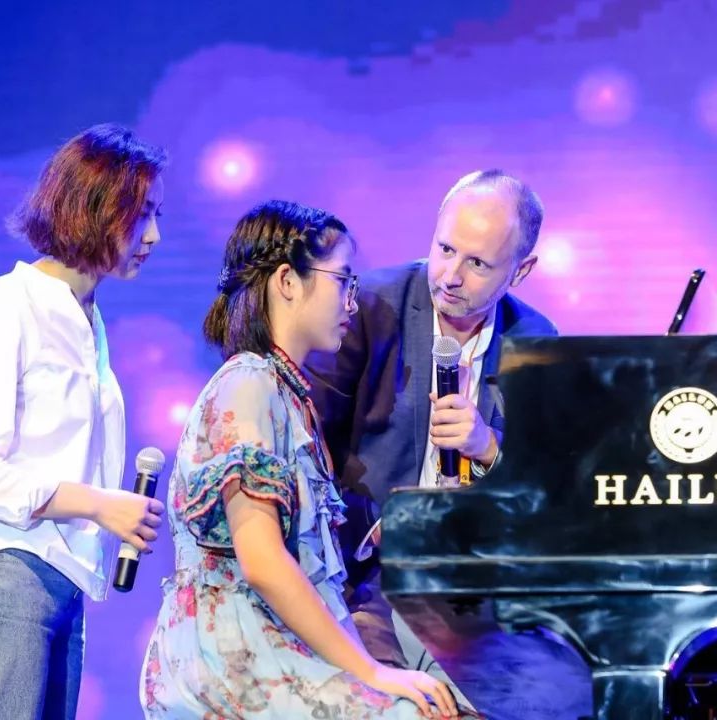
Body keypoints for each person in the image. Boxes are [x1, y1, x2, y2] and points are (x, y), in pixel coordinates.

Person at [141, 200, 463, 719]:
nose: (352, 303)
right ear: (288, 281)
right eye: (343, 281)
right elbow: (263, 563)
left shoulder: (287, 396)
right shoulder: (248, 383)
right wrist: (372, 672)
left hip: (277, 643)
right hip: (234, 656)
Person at [0, 123, 168, 720]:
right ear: (94, 207)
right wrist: (99, 504)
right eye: (141, 214)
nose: (154, 236)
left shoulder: (90, 323)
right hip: (2, 567)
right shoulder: (3, 306)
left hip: (62, 580)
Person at [305, 169, 558, 680]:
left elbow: (547, 488)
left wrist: (487, 447)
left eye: (477, 263)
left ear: (520, 271)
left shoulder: (536, 341)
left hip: (474, 586)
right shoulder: (369, 306)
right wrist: (380, 524)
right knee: (390, 702)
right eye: (445, 249)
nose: (450, 276)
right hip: (366, 578)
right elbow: (308, 436)